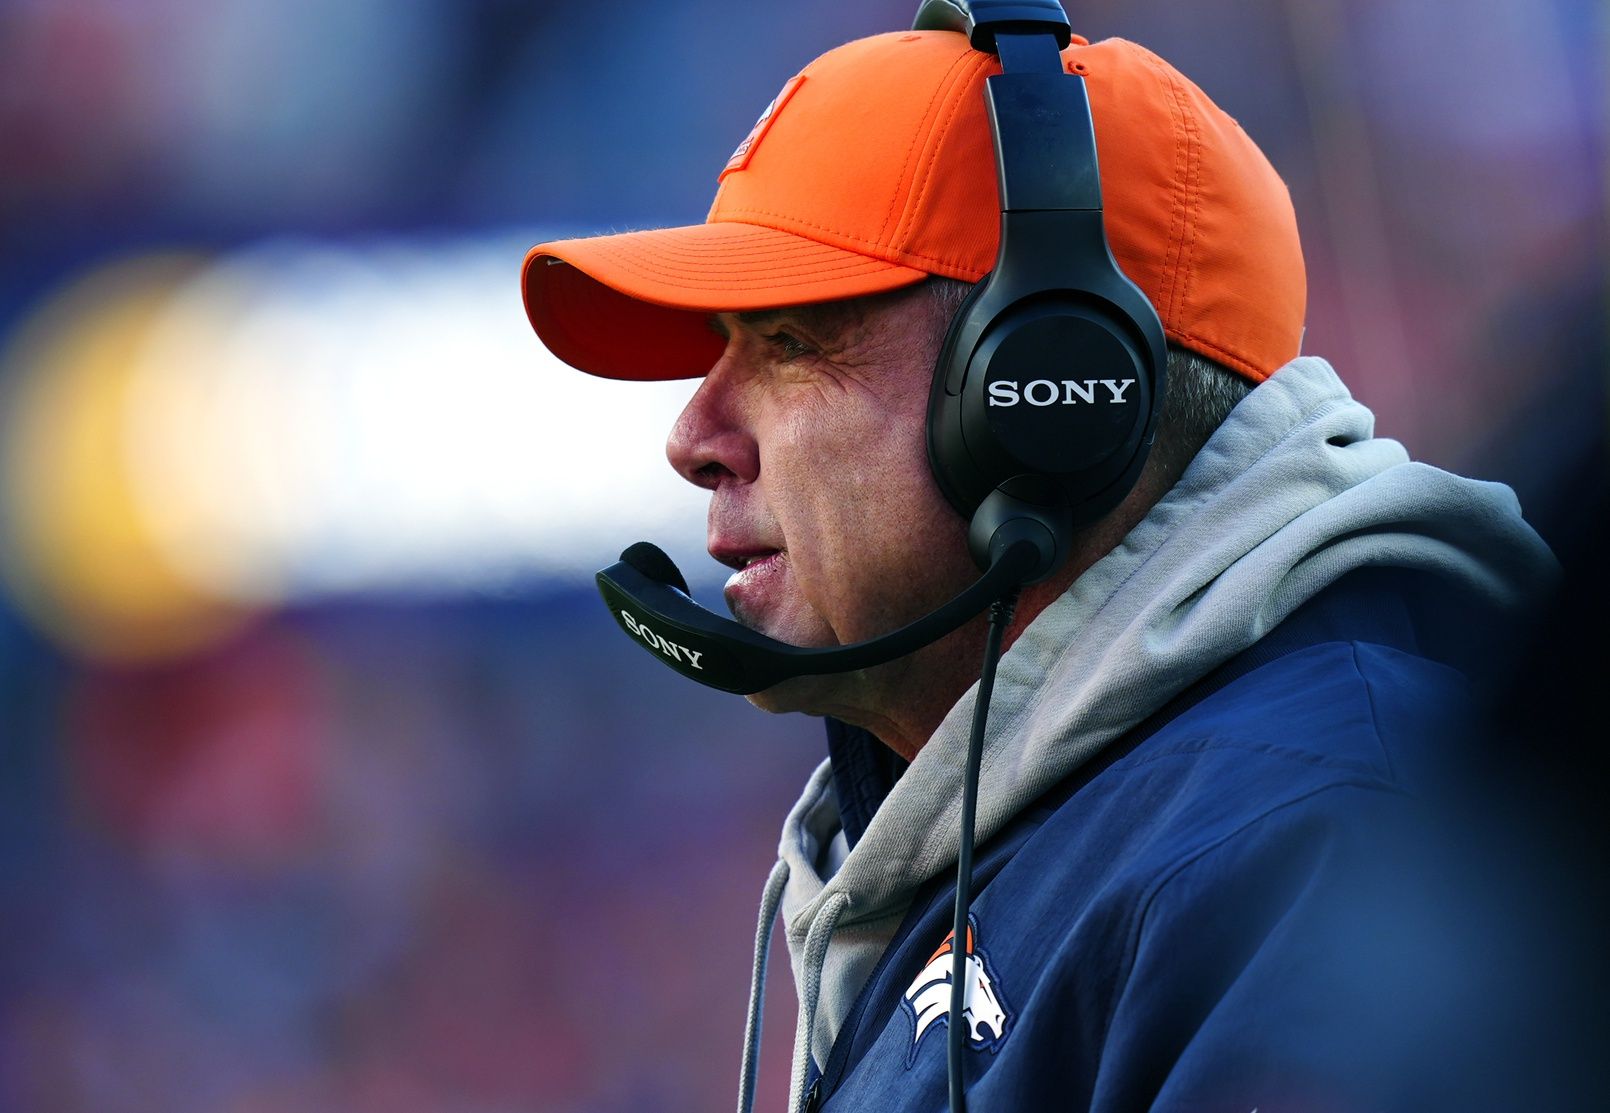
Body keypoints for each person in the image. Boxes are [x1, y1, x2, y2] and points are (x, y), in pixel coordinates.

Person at [520, 13, 1557, 1113]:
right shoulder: (1058, 830)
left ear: (1047, 394)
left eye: (789, 344)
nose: (693, 437)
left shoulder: (1309, 838)